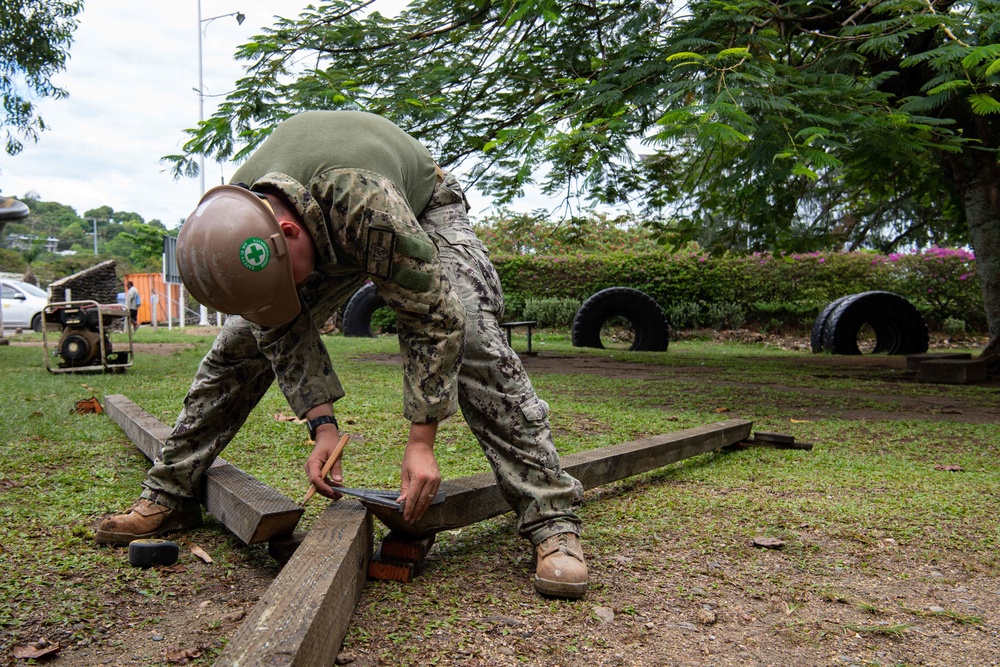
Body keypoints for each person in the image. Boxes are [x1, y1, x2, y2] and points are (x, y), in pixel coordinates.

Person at [96, 111, 587, 598]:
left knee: (475, 334)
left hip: (419, 207)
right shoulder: (238, 215)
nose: (298, 294)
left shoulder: (364, 205)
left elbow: (433, 320)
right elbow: (277, 325)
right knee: (236, 345)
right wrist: (322, 427)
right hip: (324, 226)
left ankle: (552, 518)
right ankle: (169, 492)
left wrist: (421, 441)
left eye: (289, 279)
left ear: (288, 235)